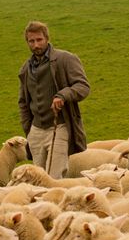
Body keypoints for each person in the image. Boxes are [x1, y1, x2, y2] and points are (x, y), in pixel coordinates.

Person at [17, 20, 90, 179]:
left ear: (47, 39)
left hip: (59, 126)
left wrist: (63, 95)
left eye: (39, 40)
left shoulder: (65, 59)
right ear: (27, 42)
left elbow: (83, 87)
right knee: (37, 180)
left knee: (54, 178)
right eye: (31, 41)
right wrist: (28, 129)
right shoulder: (25, 69)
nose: (36, 45)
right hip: (35, 131)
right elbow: (23, 102)